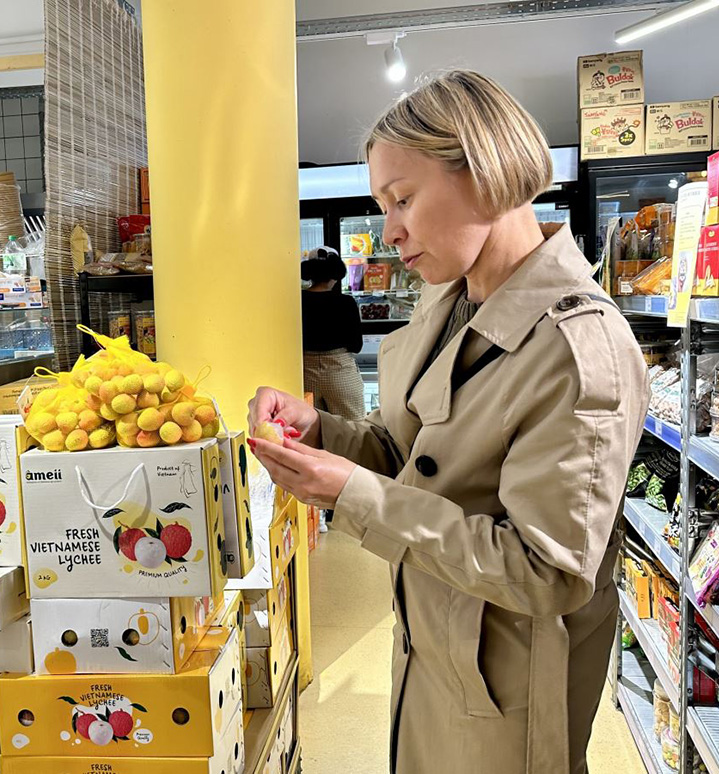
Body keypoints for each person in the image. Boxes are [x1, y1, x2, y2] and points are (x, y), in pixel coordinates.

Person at [248, 69, 648, 774]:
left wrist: (354, 496)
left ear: (486, 176)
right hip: (434, 646)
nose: (390, 231)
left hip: (509, 690)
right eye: (384, 205)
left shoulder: (578, 348)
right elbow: (413, 451)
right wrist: (322, 432)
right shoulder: (450, 303)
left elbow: (548, 572)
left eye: (403, 199)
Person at [300, 247, 366, 422]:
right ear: (336, 273)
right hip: (340, 370)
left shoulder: (297, 300)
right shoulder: (346, 302)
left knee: (311, 428)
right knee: (352, 429)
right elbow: (356, 345)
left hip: (305, 372)